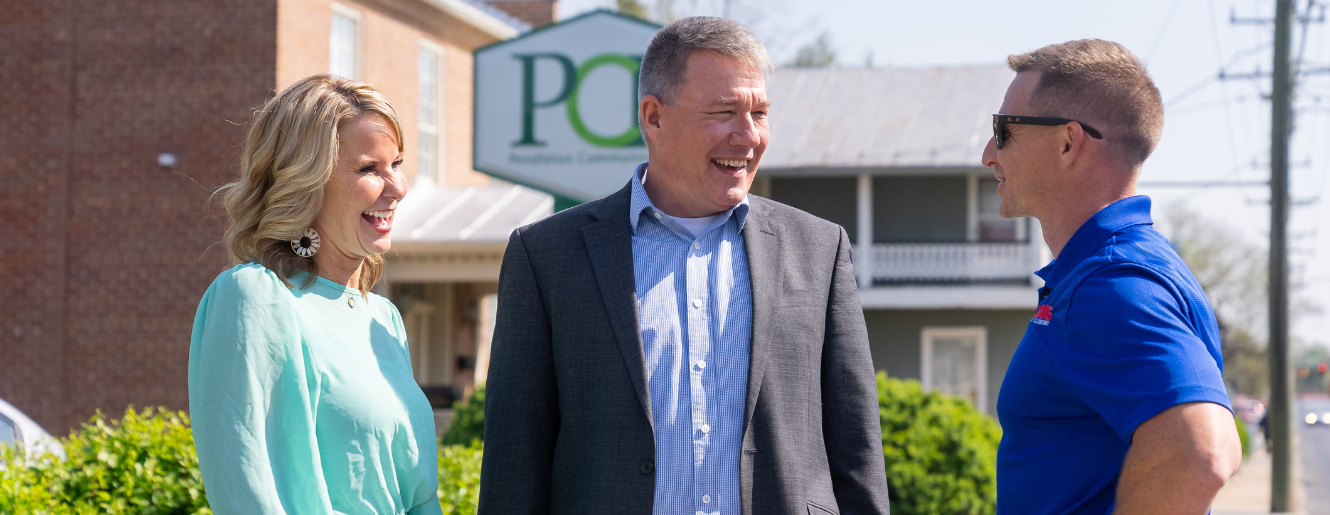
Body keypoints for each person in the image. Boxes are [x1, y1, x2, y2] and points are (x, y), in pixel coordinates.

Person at [478, 16, 890, 515]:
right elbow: (514, 462)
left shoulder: (819, 249)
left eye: (759, 113)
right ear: (653, 117)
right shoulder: (546, 255)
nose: (748, 136)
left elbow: (857, 450)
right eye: (725, 112)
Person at [982, 40, 1242, 514]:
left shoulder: (1112, 286)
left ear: (1068, 142)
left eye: (1004, 131)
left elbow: (1202, 454)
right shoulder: (1127, 268)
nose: (988, 154)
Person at [189, 75, 442, 514]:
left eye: (396, 164)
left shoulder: (383, 318)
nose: (397, 188)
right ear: (305, 181)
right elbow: (247, 489)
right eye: (368, 169)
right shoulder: (252, 296)